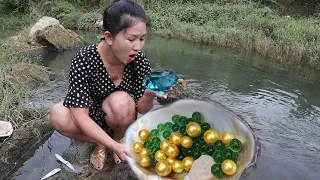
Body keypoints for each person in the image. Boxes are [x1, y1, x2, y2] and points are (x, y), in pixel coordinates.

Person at [49, 0, 168, 171]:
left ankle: (118, 139)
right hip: (91, 116)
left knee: (120, 100)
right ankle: (102, 143)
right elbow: (79, 114)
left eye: (142, 39)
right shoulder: (84, 59)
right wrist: (108, 144)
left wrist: (149, 94)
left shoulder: (139, 60)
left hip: (120, 116)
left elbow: (141, 108)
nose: (137, 46)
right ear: (109, 37)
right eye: (131, 39)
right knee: (57, 113)